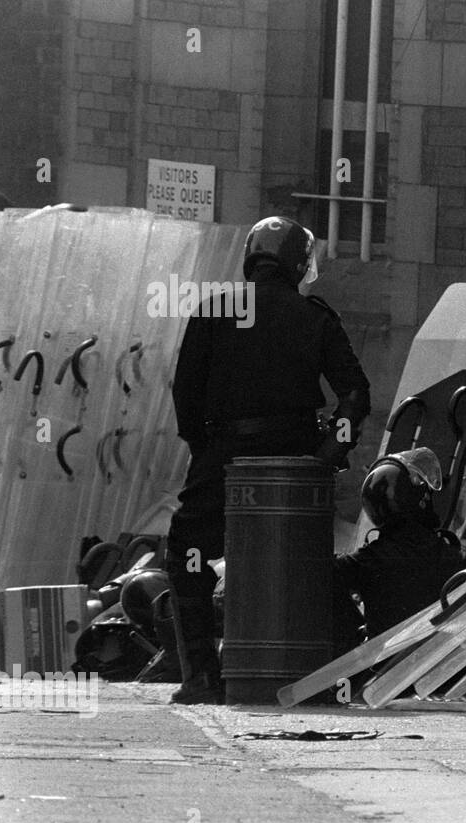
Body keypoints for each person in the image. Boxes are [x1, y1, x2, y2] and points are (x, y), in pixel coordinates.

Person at [165, 216, 371, 704]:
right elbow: (356, 394)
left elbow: (185, 394)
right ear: (298, 263)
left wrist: (206, 450)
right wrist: (328, 454)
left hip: (223, 457)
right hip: (294, 458)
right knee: (304, 558)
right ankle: (329, 669)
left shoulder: (213, 311)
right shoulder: (315, 317)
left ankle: (200, 677)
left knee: (188, 552)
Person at [332, 448, 466, 657]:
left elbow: (322, 576)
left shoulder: (366, 561)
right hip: (442, 668)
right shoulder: (453, 555)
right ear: (419, 500)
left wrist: (355, 631)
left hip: (383, 671)